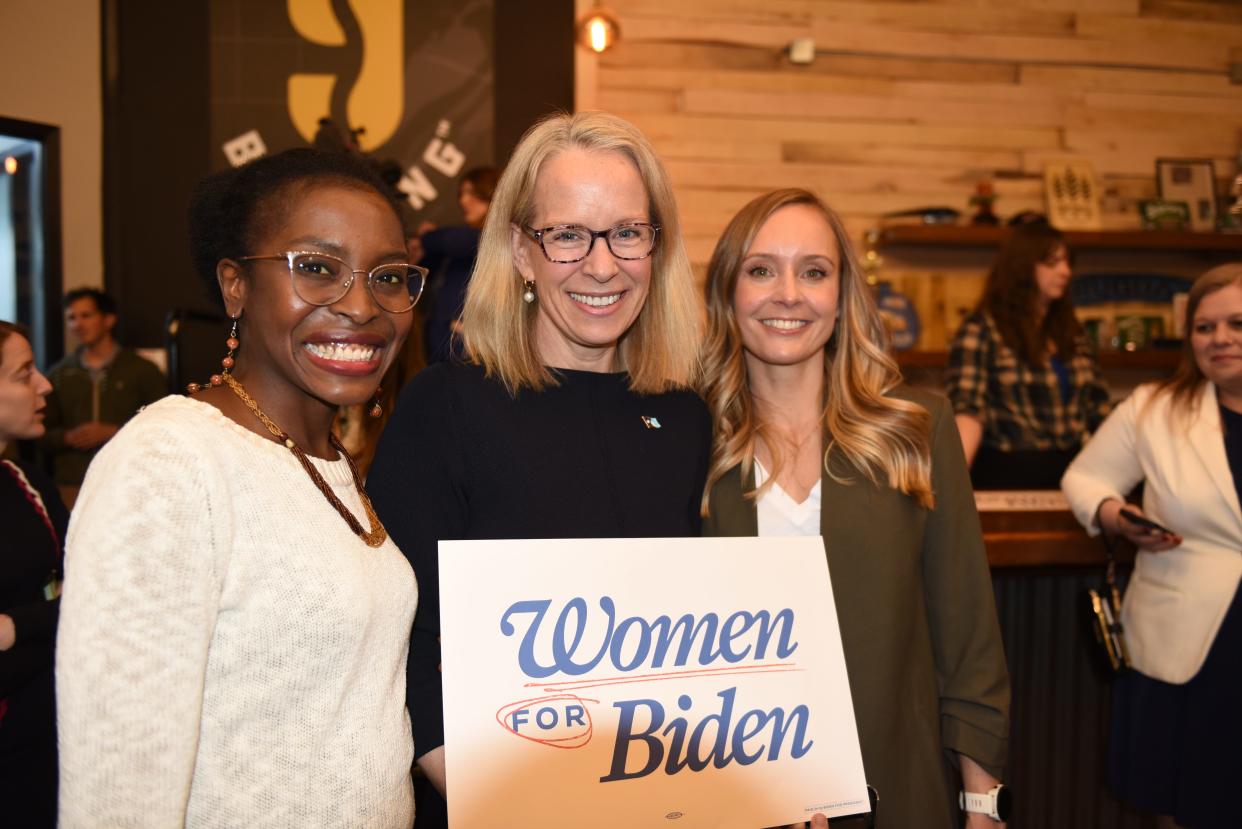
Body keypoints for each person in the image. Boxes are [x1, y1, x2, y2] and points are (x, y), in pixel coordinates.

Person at [55, 148, 423, 827]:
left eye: (390, 276)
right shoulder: (168, 462)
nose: (364, 305)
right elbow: (116, 784)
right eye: (317, 268)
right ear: (234, 285)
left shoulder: (328, 460)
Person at [367, 111, 709, 828]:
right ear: (522, 251)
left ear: (656, 244)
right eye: (567, 235)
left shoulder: (685, 419)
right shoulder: (447, 405)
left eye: (626, 231)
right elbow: (396, 644)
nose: (602, 263)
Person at [699, 189, 1010, 829]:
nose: (789, 293)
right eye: (761, 270)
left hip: (894, 788)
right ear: (727, 292)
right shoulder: (680, 443)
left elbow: (968, 637)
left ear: (842, 298)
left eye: (814, 271)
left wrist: (982, 804)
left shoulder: (917, 430)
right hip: (731, 797)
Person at [1061, 263, 1242, 829]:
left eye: (1237, 323)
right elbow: (1084, 480)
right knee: (1182, 802)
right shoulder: (1153, 408)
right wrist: (1119, 517)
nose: (1220, 339)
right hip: (1187, 642)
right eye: (1204, 327)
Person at [946, 222, 1110, 489]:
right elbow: (967, 411)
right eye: (1052, 262)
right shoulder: (983, 329)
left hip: (1073, 476)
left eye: (1068, 263)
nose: (1065, 272)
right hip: (1007, 475)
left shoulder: (1073, 332)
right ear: (1023, 266)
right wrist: (952, 485)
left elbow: (1099, 412)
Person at [0, 321, 64, 828]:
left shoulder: (30, 483)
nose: (44, 385)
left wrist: (15, 627)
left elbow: (88, 599)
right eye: (24, 374)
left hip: (43, 739)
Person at [40, 288, 165, 505]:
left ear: (108, 320)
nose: (77, 324)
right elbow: (41, 433)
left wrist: (113, 431)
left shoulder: (142, 370)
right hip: (72, 484)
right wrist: (68, 437)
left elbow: (162, 422)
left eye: (86, 315)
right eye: (71, 318)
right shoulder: (58, 374)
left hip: (128, 478)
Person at [415, 166, 500, 363]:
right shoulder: (458, 246)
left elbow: (454, 241)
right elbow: (427, 269)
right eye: (462, 194)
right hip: (439, 346)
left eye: (471, 193)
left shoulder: (496, 238)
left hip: (467, 348)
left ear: (490, 193)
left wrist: (426, 237)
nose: (463, 201)